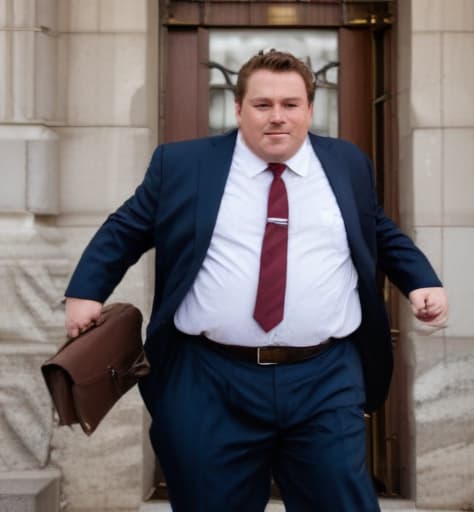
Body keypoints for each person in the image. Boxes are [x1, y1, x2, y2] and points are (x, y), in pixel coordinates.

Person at [65, 50, 448, 512]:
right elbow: (125, 229)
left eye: (290, 104)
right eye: (263, 105)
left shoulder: (347, 163)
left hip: (324, 378)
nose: (277, 117)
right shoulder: (184, 165)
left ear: (309, 108)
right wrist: (86, 292)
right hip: (208, 379)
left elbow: (376, 229)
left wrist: (420, 279)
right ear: (238, 109)